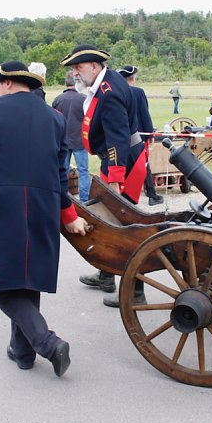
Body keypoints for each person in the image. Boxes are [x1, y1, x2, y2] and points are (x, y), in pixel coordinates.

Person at [0, 61, 88, 377]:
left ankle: (47, 342)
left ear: (8, 83)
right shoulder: (55, 118)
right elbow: (60, 174)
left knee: (4, 285)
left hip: (2, 201)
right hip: (43, 202)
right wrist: (67, 213)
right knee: (28, 277)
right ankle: (23, 351)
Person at [60, 44, 148, 305]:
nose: (75, 72)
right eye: (74, 68)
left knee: (124, 227)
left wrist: (115, 176)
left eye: (79, 67)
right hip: (119, 159)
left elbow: (117, 137)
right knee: (111, 221)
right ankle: (106, 276)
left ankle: (136, 292)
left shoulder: (109, 91)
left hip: (123, 163)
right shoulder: (106, 83)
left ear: (94, 66)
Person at [117, 65, 163, 207]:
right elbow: (144, 113)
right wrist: (150, 132)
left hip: (121, 135)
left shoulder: (116, 92)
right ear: (132, 79)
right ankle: (151, 194)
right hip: (138, 136)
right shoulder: (138, 92)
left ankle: (124, 194)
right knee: (143, 164)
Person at [51, 73, 90, 203]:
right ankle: (84, 200)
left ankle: (64, 198)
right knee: (83, 171)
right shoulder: (84, 99)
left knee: (63, 171)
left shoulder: (58, 99)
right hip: (80, 140)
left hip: (63, 141)